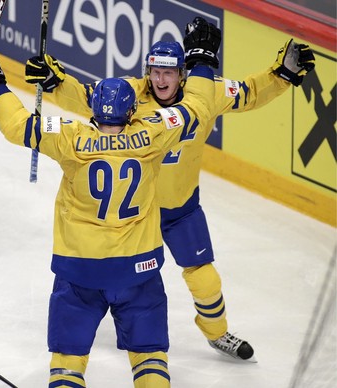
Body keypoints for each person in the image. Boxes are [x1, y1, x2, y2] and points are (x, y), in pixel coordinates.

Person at [24, 18, 316, 362]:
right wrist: (56, 81)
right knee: (129, 284)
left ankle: (217, 333)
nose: (160, 80)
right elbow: (87, 98)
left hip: (181, 208)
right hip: (135, 218)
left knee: (205, 277)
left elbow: (250, 93)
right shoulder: (130, 96)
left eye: (168, 73)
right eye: (154, 72)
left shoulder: (207, 92)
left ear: (183, 73)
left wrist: (281, 74)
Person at [0, 16, 219, 387]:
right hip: (138, 269)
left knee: (68, 363)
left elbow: (17, 126)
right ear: (133, 112)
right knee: (149, 359)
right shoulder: (154, 132)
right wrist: (202, 60)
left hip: (79, 271)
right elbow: (197, 106)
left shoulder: (70, 136)